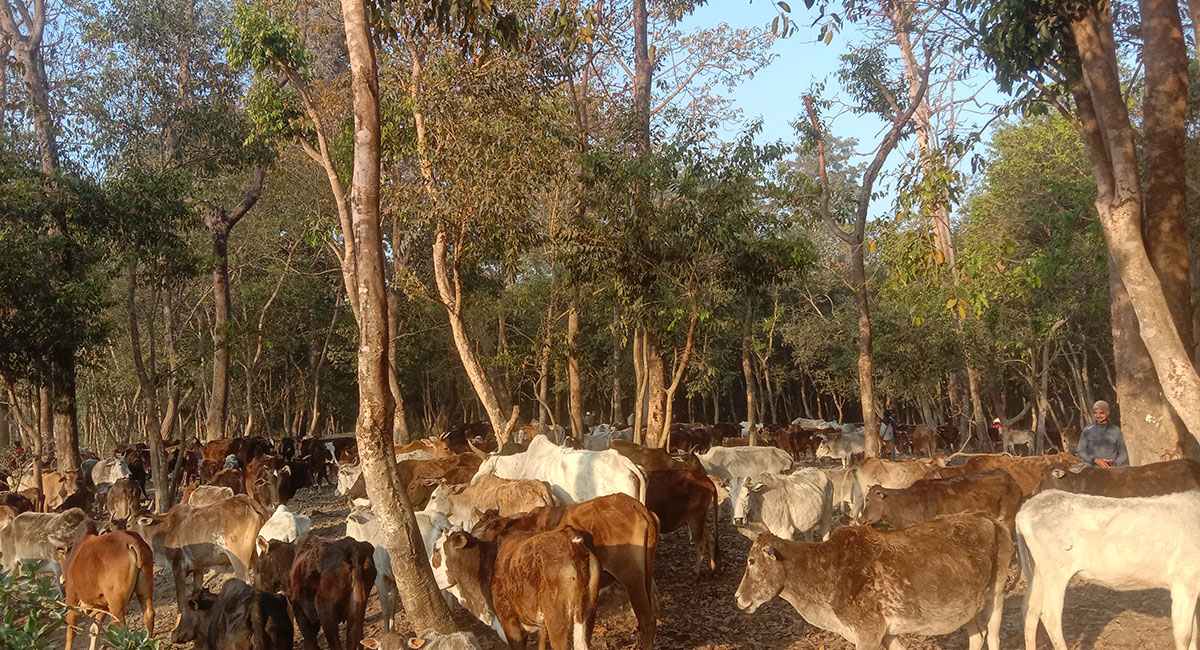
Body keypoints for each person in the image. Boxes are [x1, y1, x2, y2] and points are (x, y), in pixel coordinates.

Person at [1077, 400, 1128, 467]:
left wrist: (1115, 464)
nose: (1098, 416)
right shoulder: (1087, 430)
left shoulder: (1116, 431)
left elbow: (1123, 453)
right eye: (1095, 413)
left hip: (1111, 471)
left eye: (1101, 413)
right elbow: (1081, 452)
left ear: (1107, 413)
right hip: (1092, 471)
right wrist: (1096, 460)